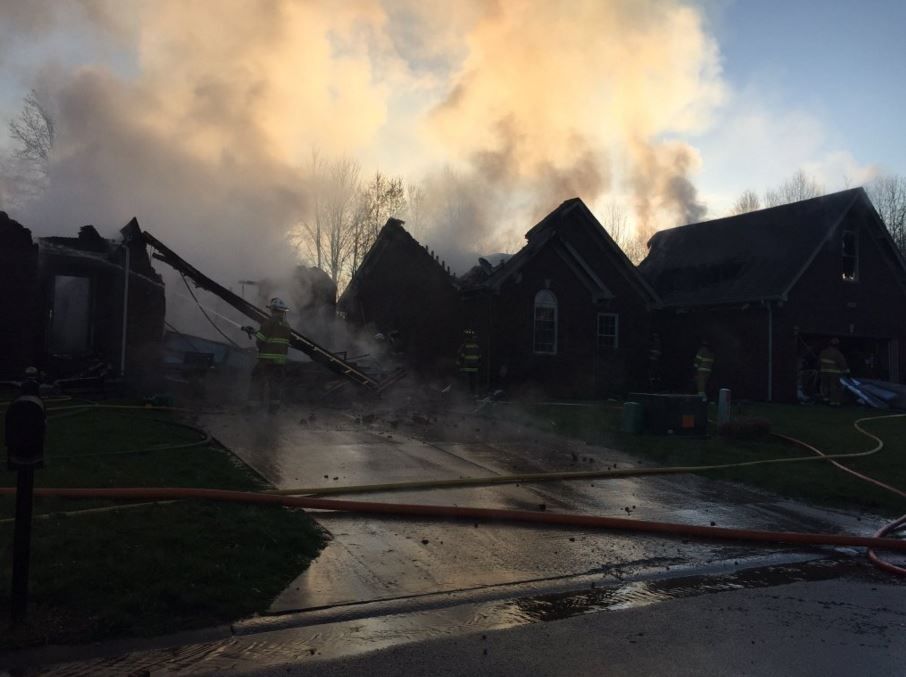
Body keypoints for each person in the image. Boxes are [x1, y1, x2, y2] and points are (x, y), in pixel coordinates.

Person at [242, 297, 291, 412]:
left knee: (257, 381)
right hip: (280, 362)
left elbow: (261, 340)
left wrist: (254, 333)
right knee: (275, 385)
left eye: (272, 310)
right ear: (283, 311)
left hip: (266, 361)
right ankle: (273, 409)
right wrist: (255, 332)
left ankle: (253, 408)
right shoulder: (287, 325)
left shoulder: (269, 322)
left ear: (273, 310)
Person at [819, 338, 849, 407]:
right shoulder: (838, 353)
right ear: (837, 345)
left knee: (825, 386)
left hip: (823, 372)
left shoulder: (823, 352)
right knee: (834, 387)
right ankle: (834, 402)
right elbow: (842, 364)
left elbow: (819, 362)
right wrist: (846, 371)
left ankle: (825, 399)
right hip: (834, 373)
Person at [457, 329, 481, 396]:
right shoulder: (477, 347)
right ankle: (474, 396)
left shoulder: (464, 346)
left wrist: (459, 366)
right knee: (473, 384)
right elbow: (480, 357)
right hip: (475, 368)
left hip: (466, 368)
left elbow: (460, 356)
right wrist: (479, 364)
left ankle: (466, 397)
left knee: (466, 384)